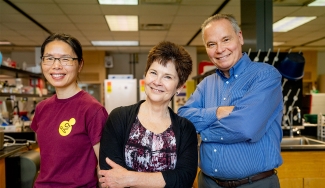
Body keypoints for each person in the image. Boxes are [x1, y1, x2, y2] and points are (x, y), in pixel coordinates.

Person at [178, 14, 283, 188]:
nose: (220, 49)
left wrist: (202, 132)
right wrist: (217, 112)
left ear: (240, 37)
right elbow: (182, 120)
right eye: (212, 44)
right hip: (208, 183)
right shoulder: (206, 84)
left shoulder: (265, 76)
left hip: (254, 183)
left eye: (226, 39)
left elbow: (245, 127)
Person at [99, 41, 198, 188]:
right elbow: (109, 175)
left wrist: (129, 179)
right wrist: (164, 180)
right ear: (145, 74)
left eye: (168, 77)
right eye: (153, 73)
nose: (157, 82)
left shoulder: (186, 129)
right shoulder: (119, 117)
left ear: (179, 87)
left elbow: (184, 179)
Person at [31, 33, 108, 187]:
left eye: (65, 59)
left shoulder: (92, 110)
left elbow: (104, 168)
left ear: (80, 65)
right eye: (49, 58)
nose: (56, 65)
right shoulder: (41, 108)